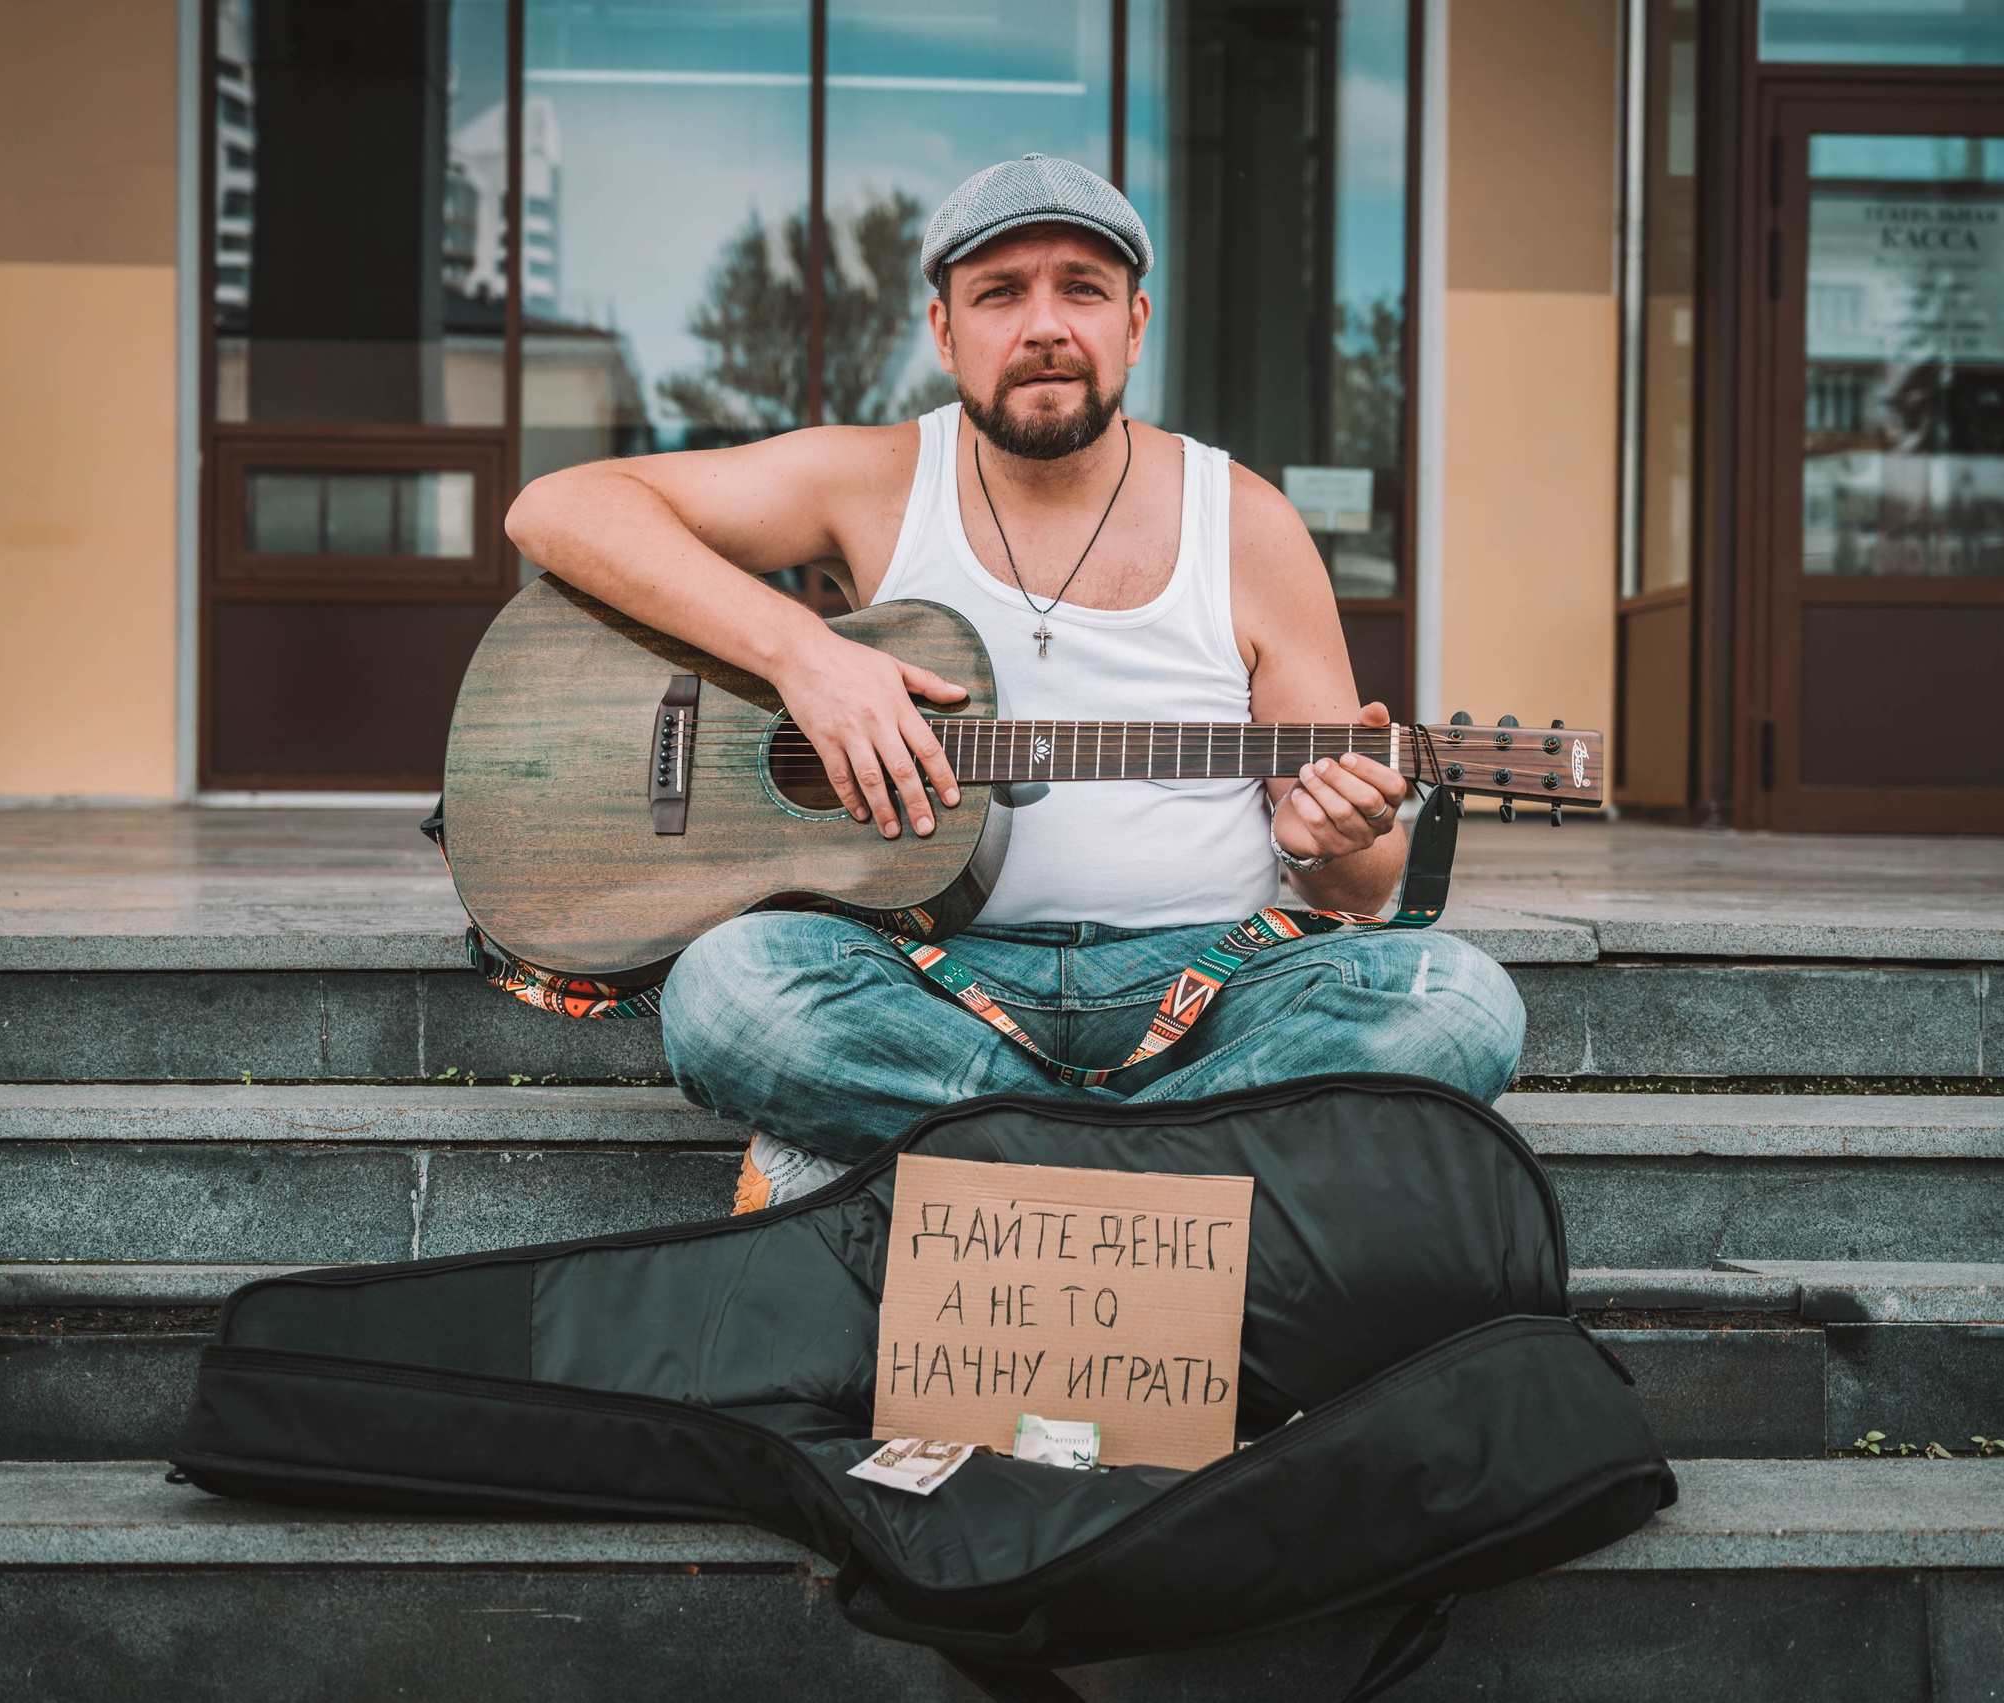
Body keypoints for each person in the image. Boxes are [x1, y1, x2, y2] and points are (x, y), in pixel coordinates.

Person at [505, 154, 1525, 1211]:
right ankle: (1164, 1175)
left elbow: (1358, 893)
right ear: (946, 332)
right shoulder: (875, 481)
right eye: (1000, 293)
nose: (1044, 325)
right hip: (925, 972)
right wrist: (802, 656)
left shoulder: (1247, 521)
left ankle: (983, 1157)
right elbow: (558, 509)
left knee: (1456, 1003)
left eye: (1080, 289)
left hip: (1205, 986)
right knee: (730, 994)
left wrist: (1341, 842)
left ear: (1133, 325)